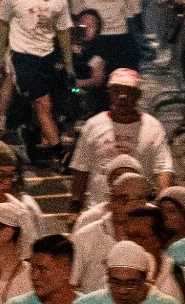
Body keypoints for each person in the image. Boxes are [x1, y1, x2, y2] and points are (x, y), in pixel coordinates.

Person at [0, 0, 73, 153]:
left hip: (46, 55)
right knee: (41, 102)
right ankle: (58, 151)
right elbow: (3, 24)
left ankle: (31, 136)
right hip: (22, 54)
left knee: (46, 104)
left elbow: (63, 31)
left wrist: (68, 63)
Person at [67, 69, 174, 208]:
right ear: (110, 94)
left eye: (128, 91)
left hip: (139, 210)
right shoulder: (93, 125)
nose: (122, 96)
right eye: (117, 90)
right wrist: (74, 208)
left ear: (138, 95)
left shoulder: (153, 127)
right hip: (100, 208)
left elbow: (163, 169)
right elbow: (81, 168)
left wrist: (163, 206)